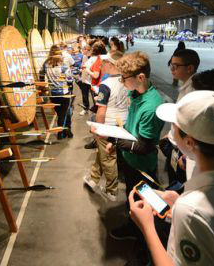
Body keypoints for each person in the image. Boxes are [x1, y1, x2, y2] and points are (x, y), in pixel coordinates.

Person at [130, 91, 214, 266]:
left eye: (174, 125)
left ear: (189, 142)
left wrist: (146, 226)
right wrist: (178, 200)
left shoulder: (193, 210)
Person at [106, 51, 165, 240]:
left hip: (142, 168)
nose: (122, 82)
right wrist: (115, 139)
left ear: (140, 77)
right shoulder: (136, 93)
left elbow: (145, 147)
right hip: (130, 161)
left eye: (124, 78)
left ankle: (143, 239)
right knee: (133, 197)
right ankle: (136, 227)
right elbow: (130, 128)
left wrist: (115, 140)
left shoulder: (150, 107)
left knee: (144, 204)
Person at [84, 50, 130, 202]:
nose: (102, 64)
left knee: (108, 158)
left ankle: (111, 190)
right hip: (123, 123)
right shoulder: (126, 81)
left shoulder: (106, 84)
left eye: (104, 62)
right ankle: (93, 178)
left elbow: (101, 110)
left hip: (108, 124)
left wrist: (98, 127)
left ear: (111, 64)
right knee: (103, 153)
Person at [163, 49, 200, 184]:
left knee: (178, 184)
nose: (171, 70)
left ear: (189, 68)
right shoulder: (186, 86)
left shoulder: (193, 91)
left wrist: (186, 154)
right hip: (176, 144)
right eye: (171, 65)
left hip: (183, 150)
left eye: (175, 66)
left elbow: (194, 124)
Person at [42, 45, 73, 139]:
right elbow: (69, 79)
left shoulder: (46, 64)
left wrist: (46, 86)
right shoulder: (63, 65)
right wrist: (70, 87)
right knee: (63, 113)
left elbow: (41, 75)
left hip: (53, 93)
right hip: (64, 93)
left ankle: (68, 130)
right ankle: (61, 132)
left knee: (62, 113)